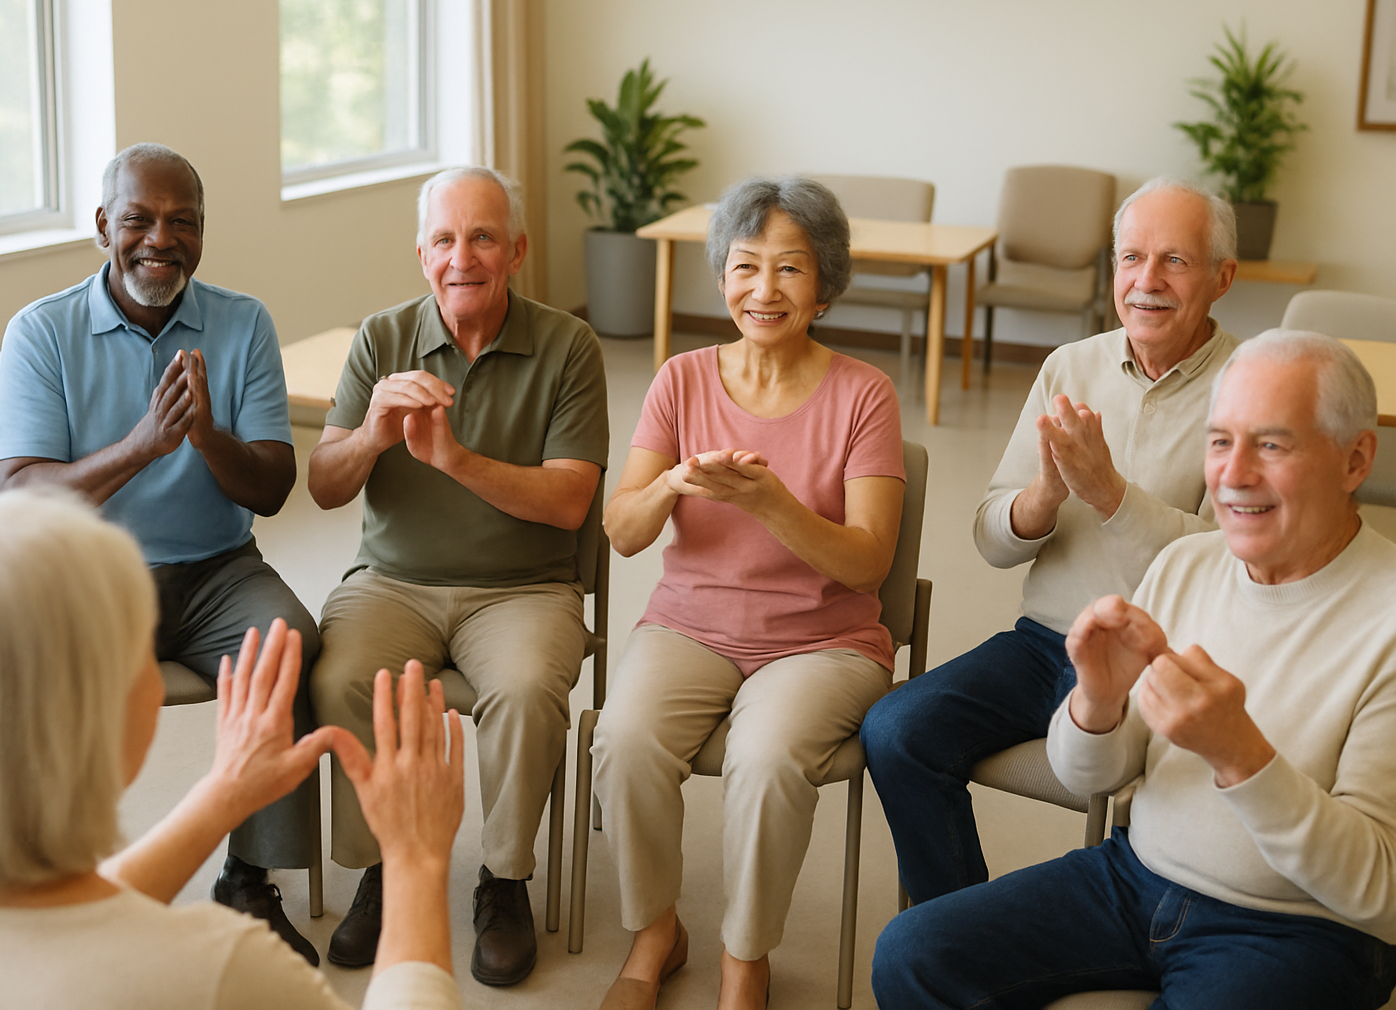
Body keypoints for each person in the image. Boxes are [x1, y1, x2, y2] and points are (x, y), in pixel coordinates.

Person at [874, 330, 1396, 1009]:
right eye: (1219, 441)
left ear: (1356, 459)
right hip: (1132, 877)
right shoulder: (1187, 564)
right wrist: (1096, 704)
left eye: (1272, 445)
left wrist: (1241, 757)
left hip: (1304, 929)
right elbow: (1088, 775)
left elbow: (1379, 891)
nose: (1234, 473)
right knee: (911, 954)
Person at [0, 488, 466, 1009]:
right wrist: (415, 864)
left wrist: (222, 796)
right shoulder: (215, 968)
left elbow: (60, 927)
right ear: (92, 726)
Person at [860, 177, 1241, 904]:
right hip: (1044, 643)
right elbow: (991, 539)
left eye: (1175, 260)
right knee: (897, 731)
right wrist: (1042, 499)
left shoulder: (1248, 389)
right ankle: (958, 931)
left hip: (1166, 660)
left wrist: (1110, 495)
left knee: (1165, 797)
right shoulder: (1071, 366)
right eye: (1131, 258)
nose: (1147, 281)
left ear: (1222, 278)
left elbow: (1229, 570)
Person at [0, 142, 324, 960]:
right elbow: (21, 493)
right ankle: (69, 878)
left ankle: (248, 880)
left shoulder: (243, 322)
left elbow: (272, 488)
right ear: (103, 225)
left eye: (184, 222)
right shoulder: (42, 330)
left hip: (219, 570)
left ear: (204, 232)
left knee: (286, 643)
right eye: (138, 219)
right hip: (93, 576)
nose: (160, 239)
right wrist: (143, 445)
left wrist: (206, 436)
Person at [592, 176, 905, 1010]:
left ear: (825, 285)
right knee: (623, 738)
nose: (764, 289)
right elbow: (622, 530)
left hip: (824, 642)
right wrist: (672, 485)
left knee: (764, 762)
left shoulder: (864, 394)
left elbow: (869, 564)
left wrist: (770, 503)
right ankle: (656, 931)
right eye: (745, 266)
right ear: (722, 275)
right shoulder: (681, 379)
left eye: (790, 268)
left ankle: (744, 957)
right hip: (688, 626)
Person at [307, 166, 608, 983]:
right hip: (391, 582)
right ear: (421, 254)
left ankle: (503, 880)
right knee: (337, 678)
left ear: (517, 251)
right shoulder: (380, 338)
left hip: (524, 588)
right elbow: (325, 486)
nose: (461, 258)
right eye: (444, 239)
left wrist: (457, 460)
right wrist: (371, 434)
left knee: (526, 689)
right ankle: (386, 866)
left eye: (482, 238)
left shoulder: (569, 346)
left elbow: (571, 502)